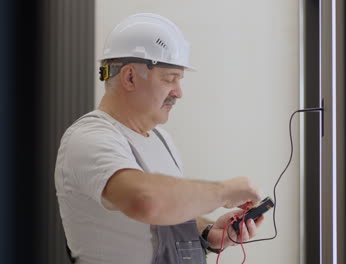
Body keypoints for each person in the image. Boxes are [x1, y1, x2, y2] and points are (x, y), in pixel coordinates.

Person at [55, 13, 264, 264]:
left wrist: (208, 232)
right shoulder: (90, 138)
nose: (179, 92)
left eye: (180, 79)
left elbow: (162, 213)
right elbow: (145, 200)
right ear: (130, 77)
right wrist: (224, 191)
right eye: (170, 78)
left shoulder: (160, 139)